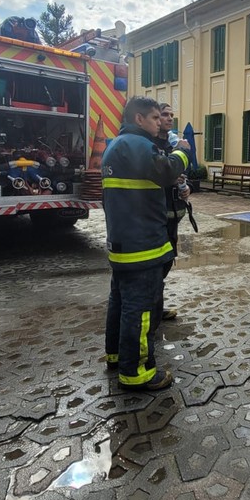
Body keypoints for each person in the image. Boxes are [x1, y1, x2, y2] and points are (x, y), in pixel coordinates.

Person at [102, 96, 190, 391]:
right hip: (142, 246)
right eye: (154, 118)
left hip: (124, 244)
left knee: (121, 304)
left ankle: (116, 355)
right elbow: (166, 171)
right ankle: (136, 371)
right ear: (139, 119)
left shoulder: (115, 145)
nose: (159, 123)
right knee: (140, 311)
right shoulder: (137, 145)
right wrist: (182, 153)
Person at [156, 103, 192, 321]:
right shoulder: (150, 146)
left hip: (173, 217)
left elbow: (180, 175)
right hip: (157, 218)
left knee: (166, 262)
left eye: (172, 115)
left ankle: (157, 308)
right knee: (156, 267)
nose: (170, 119)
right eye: (164, 115)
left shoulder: (172, 146)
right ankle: (152, 310)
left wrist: (186, 188)